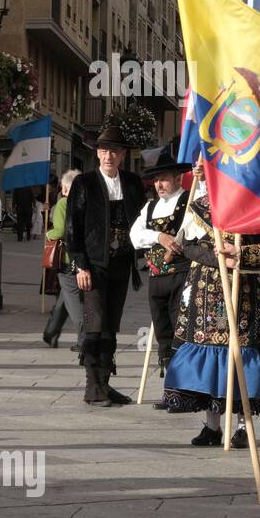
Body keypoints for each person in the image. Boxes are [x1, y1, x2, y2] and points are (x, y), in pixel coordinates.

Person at [162, 167, 260, 447]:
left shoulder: (253, 205)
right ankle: (212, 426)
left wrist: (239, 257)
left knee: (239, 353)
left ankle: (242, 426)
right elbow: (184, 246)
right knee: (208, 358)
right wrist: (214, 258)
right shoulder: (200, 206)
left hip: (243, 291)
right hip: (205, 292)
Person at [64, 126, 147, 407]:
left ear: (123, 154)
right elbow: (72, 228)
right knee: (95, 324)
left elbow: (144, 222)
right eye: (103, 150)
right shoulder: (84, 183)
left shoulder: (133, 184)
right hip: (94, 266)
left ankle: (105, 383)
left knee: (112, 324)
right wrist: (80, 265)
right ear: (96, 154)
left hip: (122, 265)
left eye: (113, 150)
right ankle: (92, 385)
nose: (108, 155)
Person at [129, 155, 190, 396]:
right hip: (156, 278)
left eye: (163, 180)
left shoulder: (189, 200)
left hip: (182, 275)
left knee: (180, 330)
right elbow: (135, 236)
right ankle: (169, 388)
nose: (159, 185)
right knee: (163, 332)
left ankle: (182, 388)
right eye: (156, 180)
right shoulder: (150, 207)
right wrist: (159, 237)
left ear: (177, 178)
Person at [41, 169, 84, 351]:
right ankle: (51, 331)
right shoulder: (84, 203)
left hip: (67, 258)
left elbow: (59, 231)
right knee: (65, 296)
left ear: (65, 188)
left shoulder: (62, 204)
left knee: (72, 297)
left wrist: (48, 233)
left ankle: (85, 338)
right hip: (83, 257)